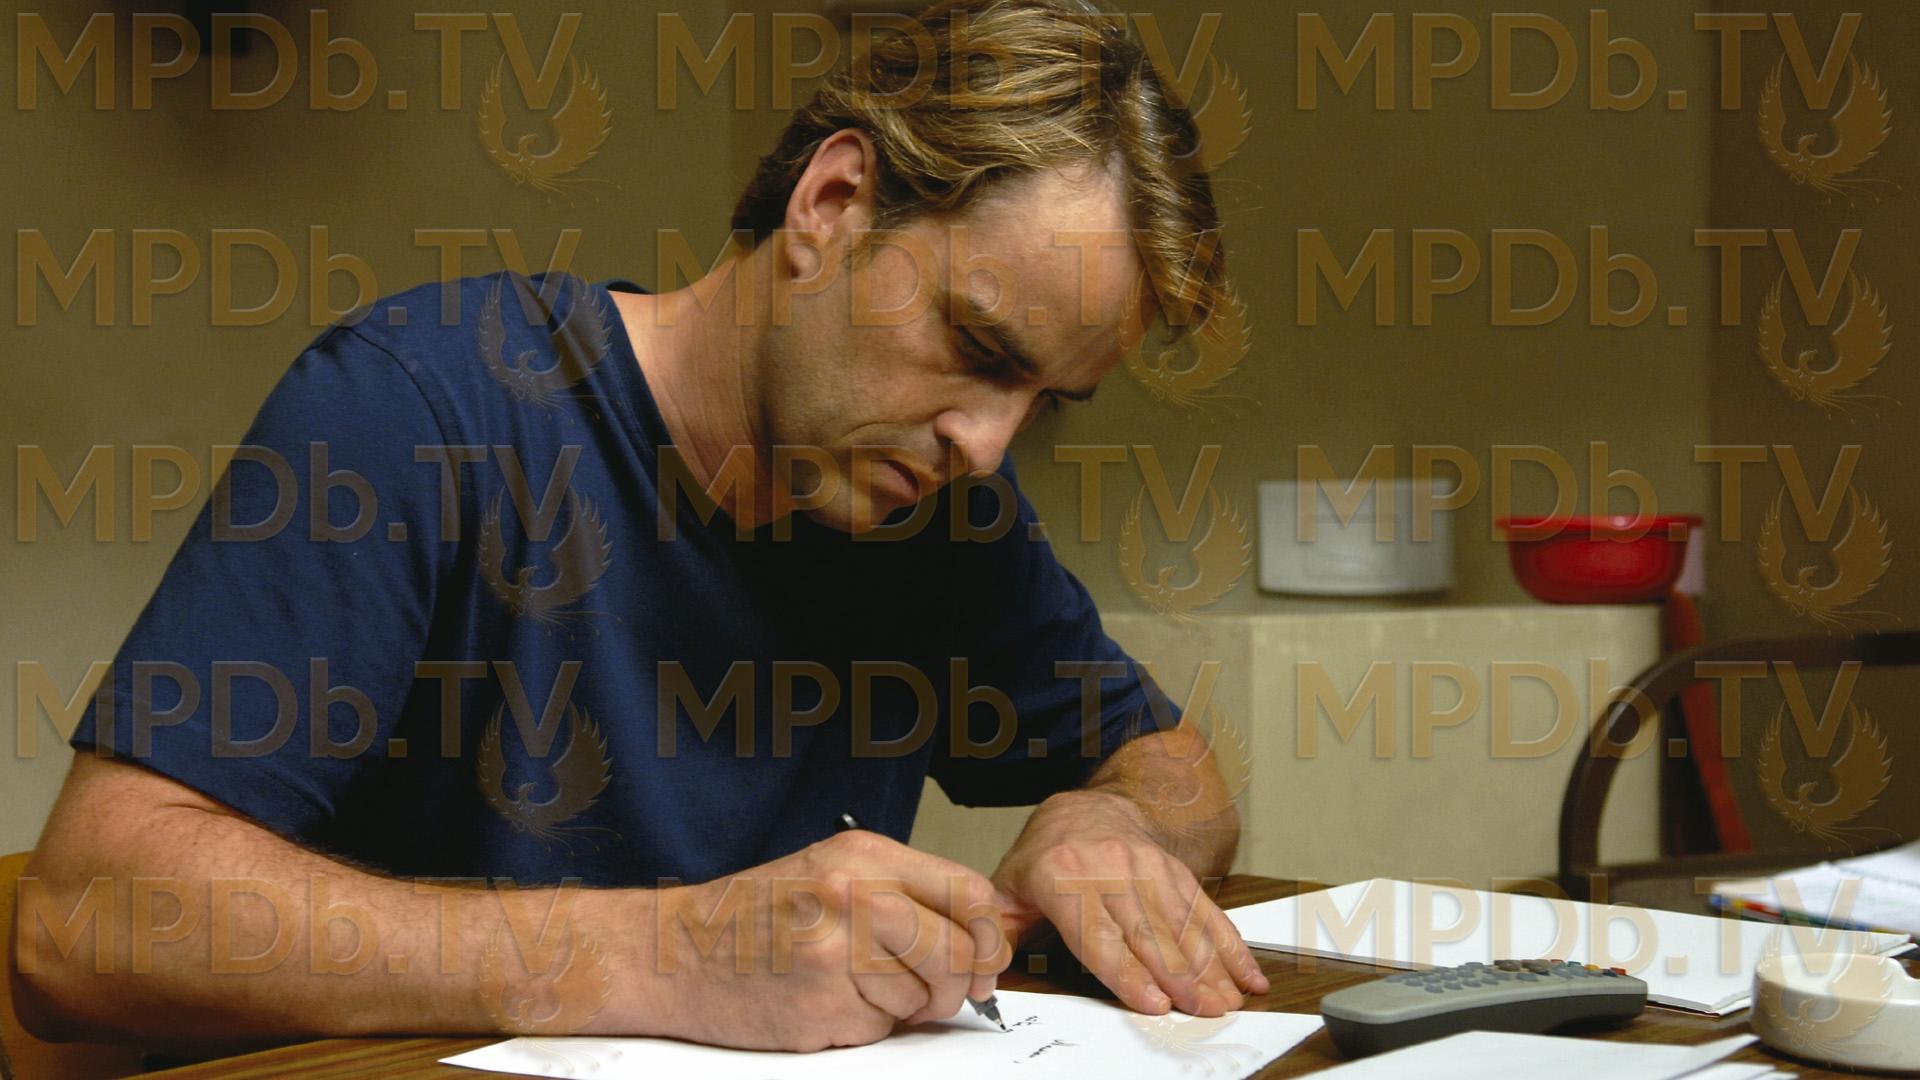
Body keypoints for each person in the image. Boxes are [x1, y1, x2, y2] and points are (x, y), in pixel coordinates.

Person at [11, 0, 1262, 1056]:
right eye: (977, 345)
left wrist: (1111, 823)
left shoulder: (939, 522)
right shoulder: (421, 411)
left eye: (1041, 399)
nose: (985, 445)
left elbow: (1180, 776)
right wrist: (664, 953)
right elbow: (86, 922)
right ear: (832, 203)